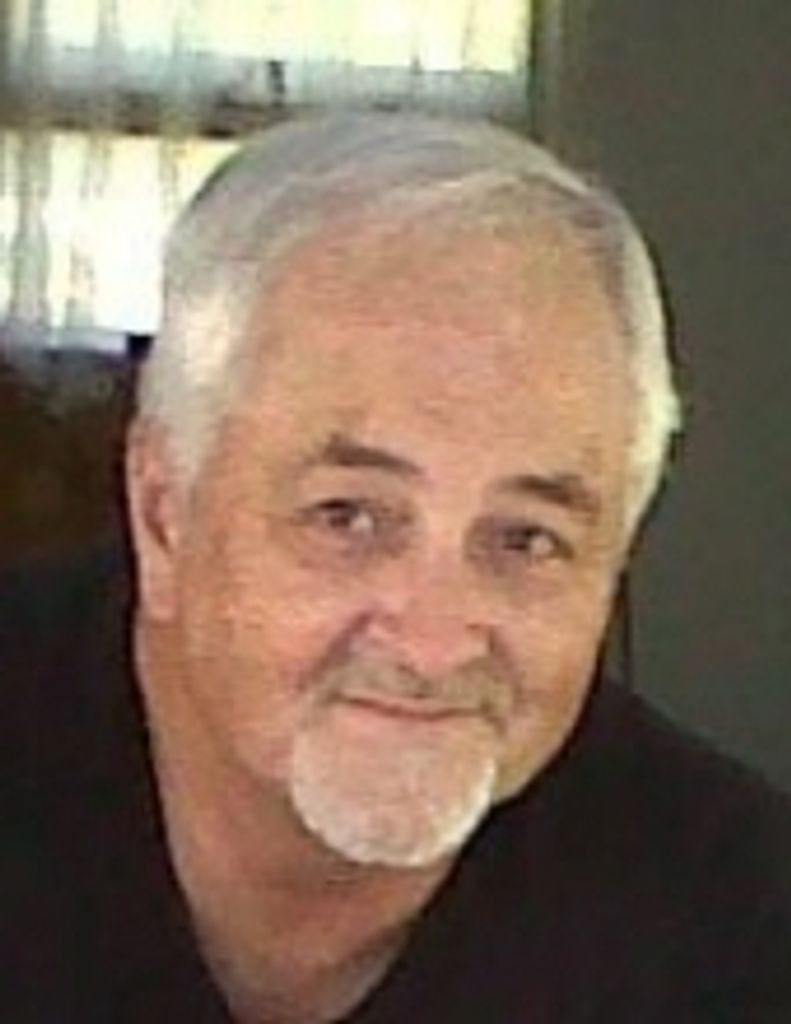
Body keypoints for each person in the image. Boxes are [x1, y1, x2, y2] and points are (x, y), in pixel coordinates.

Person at [4, 112, 790, 1023]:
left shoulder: (735, 926)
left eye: (524, 539)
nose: (432, 644)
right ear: (163, 515)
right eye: (347, 516)